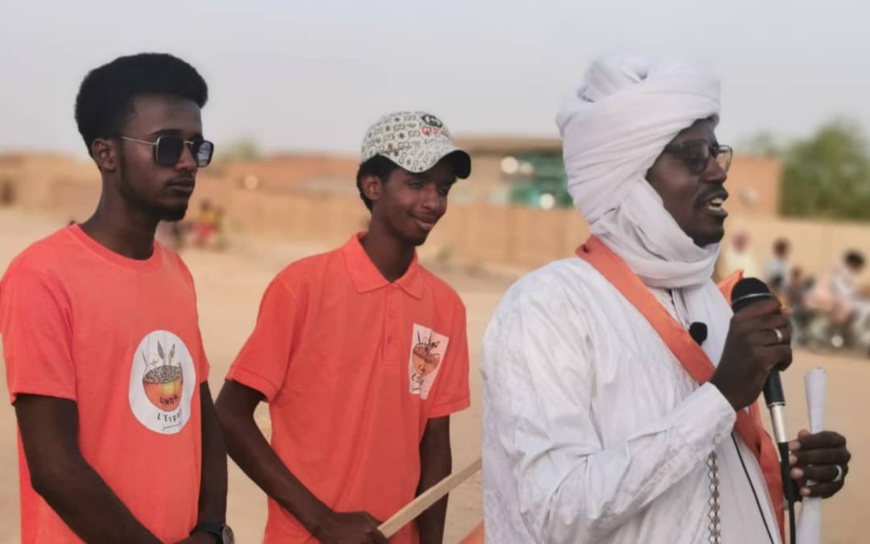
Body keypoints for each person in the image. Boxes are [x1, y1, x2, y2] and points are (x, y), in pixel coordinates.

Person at [481, 52, 852, 544]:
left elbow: (705, 484)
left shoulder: (716, 305)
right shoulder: (548, 308)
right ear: (629, 178)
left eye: (717, 154)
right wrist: (719, 398)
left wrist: (790, 475)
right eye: (692, 157)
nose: (718, 173)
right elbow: (555, 509)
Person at [0, 53, 231, 543]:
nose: (189, 162)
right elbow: (54, 468)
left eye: (197, 146)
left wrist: (211, 530)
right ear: (106, 153)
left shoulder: (176, 273)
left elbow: (202, 418)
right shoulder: (42, 276)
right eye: (168, 146)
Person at [216, 111, 472, 544]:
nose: (433, 201)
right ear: (373, 186)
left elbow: (435, 446)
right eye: (416, 183)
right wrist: (322, 522)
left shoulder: (445, 307)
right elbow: (229, 416)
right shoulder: (302, 287)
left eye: (442, 188)